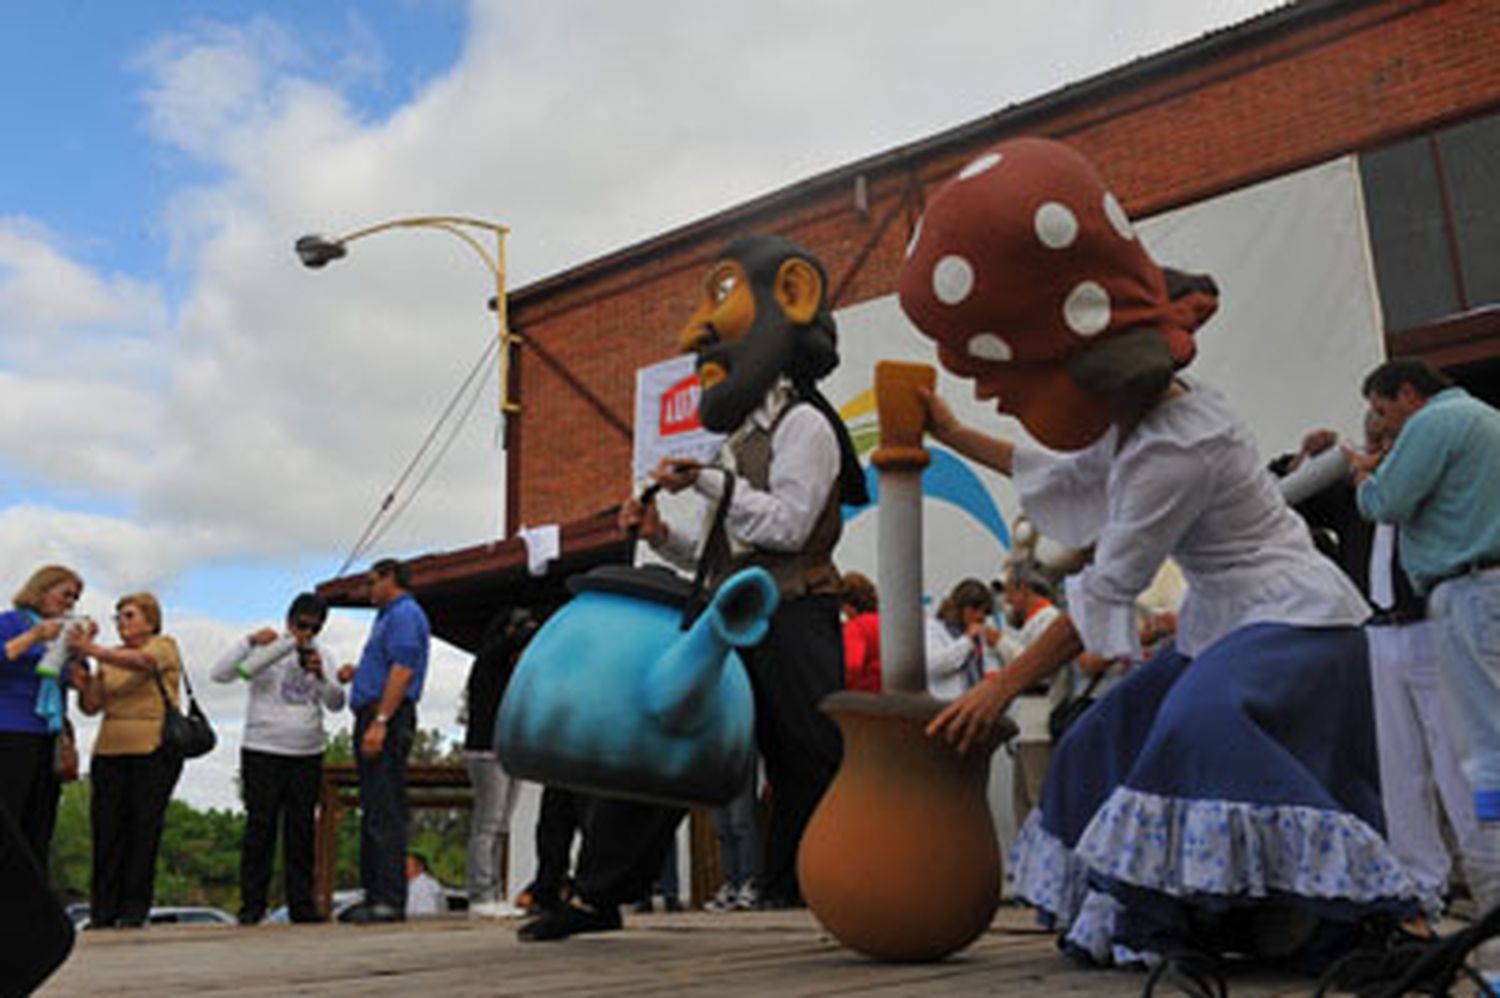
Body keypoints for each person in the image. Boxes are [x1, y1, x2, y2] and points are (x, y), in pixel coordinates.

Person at [900, 137, 1416, 974]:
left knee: (1198, 727)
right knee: (1103, 732)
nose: (998, 395)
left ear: (1082, 363)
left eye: (1012, 383)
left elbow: (1109, 584)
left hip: (1295, 622)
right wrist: (955, 435)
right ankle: (1176, 917)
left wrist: (1000, 683)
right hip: (1225, 624)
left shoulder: (1179, 443)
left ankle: (1349, 912)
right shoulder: (1136, 427)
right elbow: (1061, 473)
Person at [520, 233, 868, 941]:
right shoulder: (738, 441)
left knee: (810, 754)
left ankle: (813, 889)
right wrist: (661, 536)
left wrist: (712, 481)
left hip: (796, 610)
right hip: (729, 615)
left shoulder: (806, 424)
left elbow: (790, 528)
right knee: (664, 736)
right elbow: (722, 551)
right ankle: (595, 896)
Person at [1350, 358, 1500, 917]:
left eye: (1384, 411)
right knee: (1444, 755)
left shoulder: (1437, 423)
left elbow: (1384, 504)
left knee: (1475, 752)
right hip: (1455, 600)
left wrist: (1366, 475)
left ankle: (1491, 895)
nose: (1384, 426)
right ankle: (1441, 886)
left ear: (1409, 394)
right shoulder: (1483, 420)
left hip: (1464, 593)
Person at [211, 592, 345, 925]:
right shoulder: (267, 651)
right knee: (261, 827)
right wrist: (250, 641)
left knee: (301, 830)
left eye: (314, 628)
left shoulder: (323, 655)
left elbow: (337, 702)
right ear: (289, 622)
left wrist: (321, 677)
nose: (306, 634)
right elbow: (221, 673)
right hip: (263, 748)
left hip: (307, 751)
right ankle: (252, 904)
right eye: (302, 626)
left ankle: (302, 904)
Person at [73, 592, 185, 929]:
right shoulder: (110, 657)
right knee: (106, 831)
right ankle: (103, 909)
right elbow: (92, 707)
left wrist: (91, 648)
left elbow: (145, 664)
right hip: (109, 749)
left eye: (130, 615)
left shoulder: (163, 645)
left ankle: (135, 908)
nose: (122, 622)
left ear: (150, 620)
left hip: (151, 748)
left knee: (143, 828)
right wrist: (85, 681)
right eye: (118, 616)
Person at [335, 558, 431, 924]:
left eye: (372, 582)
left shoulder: (405, 614)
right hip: (375, 711)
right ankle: (374, 894)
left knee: (386, 808)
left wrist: (380, 721)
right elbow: (388, 666)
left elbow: (403, 670)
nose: (368, 590)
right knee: (373, 806)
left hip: (386, 715)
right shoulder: (387, 617)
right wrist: (358, 674)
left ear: (391, 578)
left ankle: (390, 899)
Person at [0, 565, 88, 868]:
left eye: (75, 599)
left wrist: (83, 652)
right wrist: (34, 636)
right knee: (10, 819)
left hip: (49, 737)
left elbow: (85, 693)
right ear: (41, 589)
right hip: (10, 731)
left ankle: (31, 904)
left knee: (40, 824)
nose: (70, 603)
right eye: (65, 594)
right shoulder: (11, 623)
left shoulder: (65, 637)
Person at [462, 607, 535, 918]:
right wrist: (532, 629)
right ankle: (480, 894)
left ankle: (492, 891)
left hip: (507, 752)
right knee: (487, 824)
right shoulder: (490, 659)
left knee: (501, 825)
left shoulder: (511, 672)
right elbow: (514, 640)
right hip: (485, 752)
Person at [993, 561, 1070, 823]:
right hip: (1025, 724)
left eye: (1008, 592)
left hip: (1039, 722)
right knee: (1023, 804)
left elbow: (1038, 667)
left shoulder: (1049, 619)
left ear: (1023, 589)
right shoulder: (1031, 624)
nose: (1007, 601)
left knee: (1038, 800)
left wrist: (1000, 642)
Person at [925, 578, 996, 700]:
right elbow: (933, 665)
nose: (979, 616)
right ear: (959, 608)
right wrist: (966, 641)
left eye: (984, 612)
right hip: (945, 703)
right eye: (974, 610)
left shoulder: (980, 633)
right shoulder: (934, 628)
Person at [838, 571, 881, 693]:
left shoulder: (857, 627)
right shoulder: (887, 622)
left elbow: (852, 666)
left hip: (866, 697)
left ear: (847, 606)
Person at [405, 850, 445, 917]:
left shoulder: (425, 886)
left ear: (421, 867)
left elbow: (427, 917)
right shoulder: (413, 884)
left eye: (408, 866)